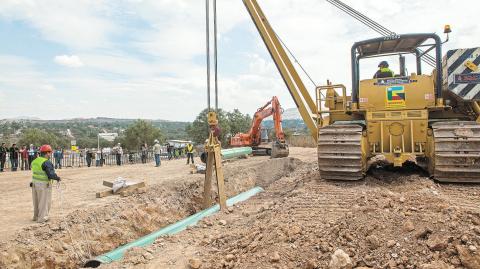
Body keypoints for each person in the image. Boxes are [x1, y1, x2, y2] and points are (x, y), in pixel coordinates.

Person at [31, 144, 60, 223]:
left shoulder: (35, 161)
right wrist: (57, 178)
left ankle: (36, 217)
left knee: (36, 201)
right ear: (47, 153)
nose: (50, 154)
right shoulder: (46, 162)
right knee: (44, 202)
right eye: (50, 152)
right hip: (43, 184)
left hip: (34, 183)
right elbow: (50, 174)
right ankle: (42, 218)